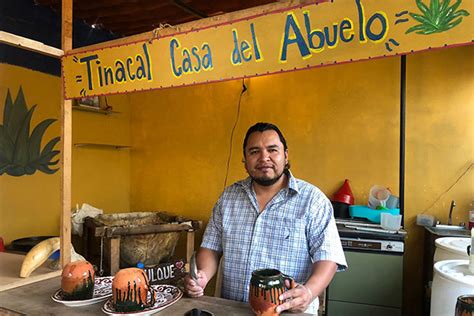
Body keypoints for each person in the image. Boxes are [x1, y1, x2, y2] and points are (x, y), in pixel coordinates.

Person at [185, 122, 347, 314]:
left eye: (272, 150)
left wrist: (309, 292)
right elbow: (211, 248)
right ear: (245, 160)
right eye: (254, 151)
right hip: (233, 309)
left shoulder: (313, 200)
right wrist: (202, 275)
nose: (264, 158)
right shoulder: (228, 198)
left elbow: (328, 257)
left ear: (286, 156)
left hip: (288, 311)